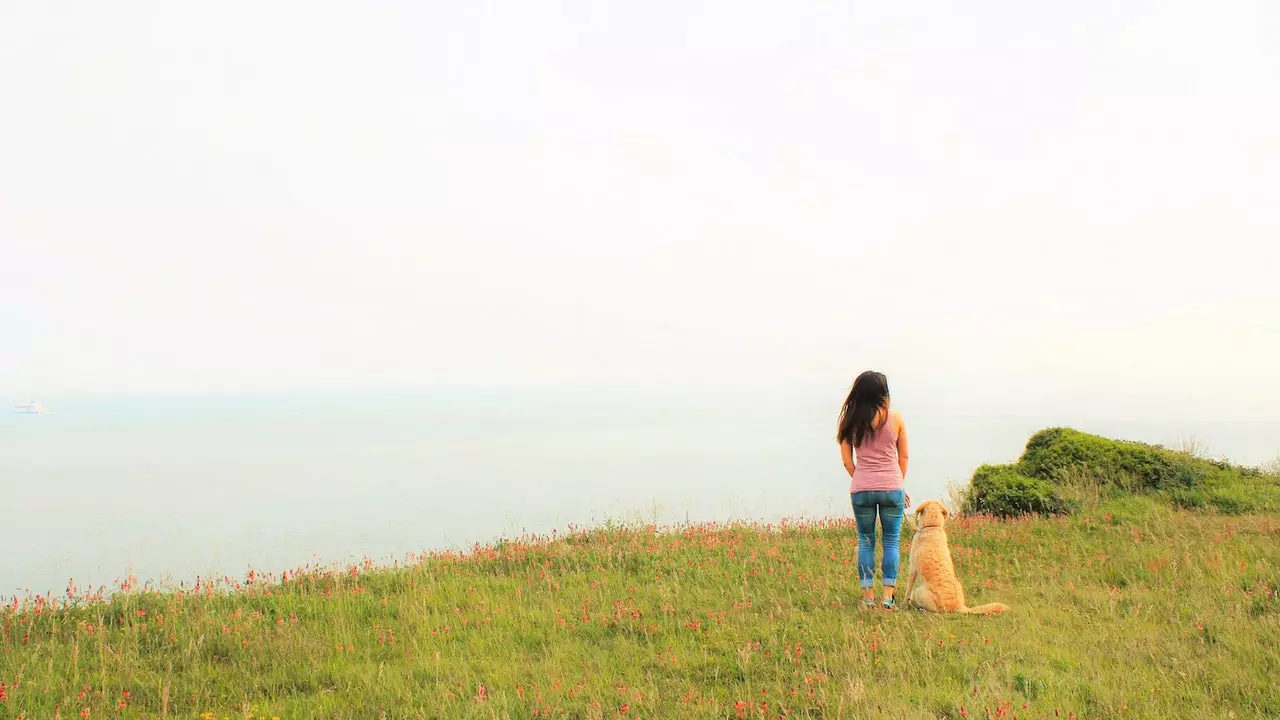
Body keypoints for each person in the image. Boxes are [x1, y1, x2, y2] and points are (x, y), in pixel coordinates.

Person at [837, 370, 910, 610]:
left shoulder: (850, 422)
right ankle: (888, 599)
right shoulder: (896, 418)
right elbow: (904, 456)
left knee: (866, 541)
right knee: (891, 541)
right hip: (892, 487)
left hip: (861, 489)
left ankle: (868, 599)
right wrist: (897, 482)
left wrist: (862, 477)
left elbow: (848, 461)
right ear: (883, 393)